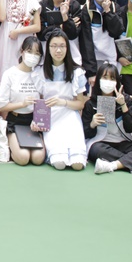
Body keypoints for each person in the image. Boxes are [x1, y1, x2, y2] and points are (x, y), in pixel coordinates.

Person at [82, 63, 132, 174]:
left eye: (112, 78)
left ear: (117, 82)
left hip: (123, 143)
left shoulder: (127, 100)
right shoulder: (91, 104)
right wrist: (92, 124)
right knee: (96, 150)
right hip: (101, 143)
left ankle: (113, 165)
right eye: (105, 77)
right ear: (98, 80)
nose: (108, 82)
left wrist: (123, 106)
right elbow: (85, 134)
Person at [32, 30, 88, 171]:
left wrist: (63, 102)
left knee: (78, 164)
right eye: (54, 46)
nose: (58, 50)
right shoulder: (39, 72)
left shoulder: (76, 72)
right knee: (59, 163)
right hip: (49, 118)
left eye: (62, 46)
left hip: (70, 117)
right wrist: (36, 120)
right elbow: (38, 102)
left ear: (67, 48)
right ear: (48, 48)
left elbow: (80, 104)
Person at [38, 0, 95, 80]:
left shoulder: (74, 5)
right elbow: (41, 34)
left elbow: (73, 34)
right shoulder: (43, 6)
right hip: (48, 56)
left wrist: (65, 18)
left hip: (71, 55)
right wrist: (60, 26)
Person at [0, 37, 45, 167]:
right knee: (23, 158)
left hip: (33, 122)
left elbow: (43, 101)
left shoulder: (39, 75)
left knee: (38, 158)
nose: (33, 56)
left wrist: (39, 121)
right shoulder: (10, 74)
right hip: (15, 120)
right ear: (22, 51)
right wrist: (22, 104)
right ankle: (10, 145)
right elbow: (1, 105)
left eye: (37, 53)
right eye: (30, 51)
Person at [0, 0, 41, 80]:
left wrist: (18, 32)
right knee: (5, 72)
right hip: (5, 40)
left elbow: (37, 26)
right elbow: (1, 18)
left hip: (24, 39)